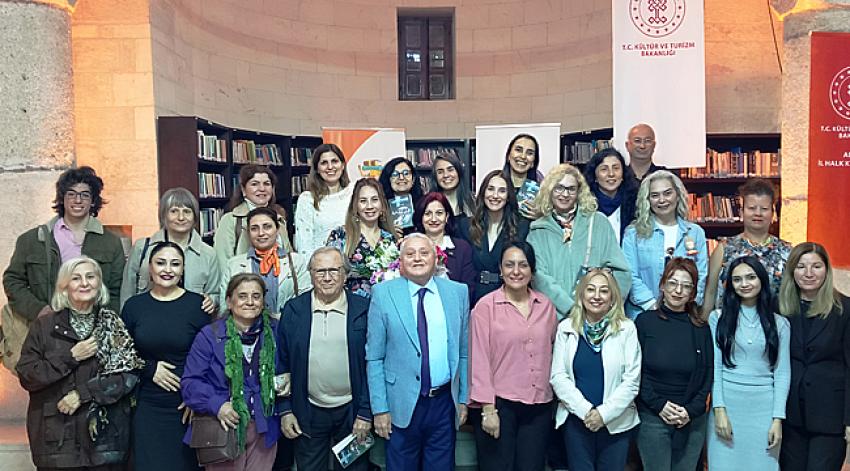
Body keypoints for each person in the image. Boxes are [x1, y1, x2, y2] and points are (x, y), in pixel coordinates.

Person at [17, 256, 144, 470]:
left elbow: (127, 376)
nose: (84, 283)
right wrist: (71, 357)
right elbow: (28, 375)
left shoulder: (113, 324)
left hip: (105, 441)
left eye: (90, 277)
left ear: (99, 284)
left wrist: (82, 394)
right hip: (57, 442)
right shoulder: (44, 326)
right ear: (64, 286)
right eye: (76, 278)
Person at [366, 234, 470, 470]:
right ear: (400, 261)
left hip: (443, 403)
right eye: (410, 254)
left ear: (436, 258)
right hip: (400, 403)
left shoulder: (457, 292)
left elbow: (464, 352)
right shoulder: (383, 294)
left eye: (424, 252)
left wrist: (463, 399)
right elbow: (374, 357)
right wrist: (380, 409)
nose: (417, 258)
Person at [278, 247, 372, 471]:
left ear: (345, 274)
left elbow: (374, 365)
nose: (327, 277)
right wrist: (285, 410)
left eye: (334, 270)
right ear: (311, 274)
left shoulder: (363, 309)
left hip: (352, 411)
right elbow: (281, 363)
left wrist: (366, 412)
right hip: (308, 411)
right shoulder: (294, 310)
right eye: (320, 271)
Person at [122, 242, 211, 470]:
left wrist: (196, 397)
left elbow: (209, 356)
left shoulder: (198, 305)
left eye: (175, 264)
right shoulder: (134, 306)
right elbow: (120, 353)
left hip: (186, 406)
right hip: (146, 404)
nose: (168, 270)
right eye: (161, 263)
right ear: (149, 267)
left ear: (183, 269)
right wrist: (150, 368)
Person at [469, 241, 557, 471]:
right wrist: (488, 410)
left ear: (532, 270)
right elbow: (479, 361)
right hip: (500, 406)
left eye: (523, 265)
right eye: (509, 265)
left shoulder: (546, 306)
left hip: (539, 406)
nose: (516, 271)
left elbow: (553, 352)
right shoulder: (485, 307)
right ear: (500, 269)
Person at [182, 273, 283, 471]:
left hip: (264, 428)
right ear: (229, 301)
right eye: (242, 296)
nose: (250, 302)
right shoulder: (209, 336)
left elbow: (289, 368)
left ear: (263, 302)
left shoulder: (276, 332)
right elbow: (190, 383)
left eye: (256, 296)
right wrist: (217, 405)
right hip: (223, 427)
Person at [4, 166, 126, 323]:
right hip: (45, 327)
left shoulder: (111, 243)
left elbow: (116, 291)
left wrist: (103, 323)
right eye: (71, 194)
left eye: (85, 195)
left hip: (92, 327)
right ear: (62, 198)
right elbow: (13, 281)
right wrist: (39, 311)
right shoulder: (32, 240)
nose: (78, 200)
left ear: (93, 201)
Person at [550, 268, 641, 471]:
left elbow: (632, 381)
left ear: (612, 297)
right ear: (582, 295)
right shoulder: (566, 328)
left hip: (616, 424)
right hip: (577, 422)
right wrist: (586, 411)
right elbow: (558, 376)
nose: (597, 296)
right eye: (591, 289)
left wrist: (603, 414)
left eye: (604, 291)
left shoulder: (627, 329)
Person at [707, 256, 790, 471]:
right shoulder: (717, 318)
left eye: (751, 277)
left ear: (761, 279)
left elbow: (782, 373)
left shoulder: (780, 324)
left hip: (764, 411)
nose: (744, 284)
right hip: (728, 407)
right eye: (737, 279)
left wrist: (777, 419)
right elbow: (715, 368)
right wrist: (719, 409)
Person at [635, 257, 713, 471]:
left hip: (691, 418)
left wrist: (691, 410)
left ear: (693, 293)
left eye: (686, 286)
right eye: (672, 283)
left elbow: (708, 374)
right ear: (662, 285)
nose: (678, 290)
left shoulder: (701, 328)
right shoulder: (644, 322)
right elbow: (635, 371)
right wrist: (659, 405)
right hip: (652, 415)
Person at [777, 242, 850, 471]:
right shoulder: (778, 307)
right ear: (792, 271)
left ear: (826, 270)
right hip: (790, 416)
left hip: (830, 415)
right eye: (801, 267)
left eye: (816, 266)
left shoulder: (845, 309)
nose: (809, 273)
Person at [527, 163, 630, 319]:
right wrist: (571, 309)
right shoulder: (537, 230)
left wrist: (607, 310)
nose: (565, 194)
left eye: (571, 189)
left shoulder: (598, 223)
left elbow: (621, 271)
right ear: (550, 190)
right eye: (559, 188)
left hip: (597, 317)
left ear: (579, 192)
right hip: (554, 318)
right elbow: (539, 277)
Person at [121, 187, 220, 314]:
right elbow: (127, 292)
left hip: (190, 320)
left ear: (195, 216)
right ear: (164, 215)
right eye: (174, 211)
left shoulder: (208, 254)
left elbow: (215, 294)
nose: (181, 217)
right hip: (146, 318)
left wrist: (212, 300)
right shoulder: (142, 248)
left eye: (187, 211)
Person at [622, 170, 708, 318]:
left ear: (678, 195)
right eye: (655, 195)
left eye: (667, 193)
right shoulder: (633, 233)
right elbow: (630, 275)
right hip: (643, 313)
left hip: (684, 313)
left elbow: (701, 274)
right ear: (647, 200)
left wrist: (686, 305)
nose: (662, 200)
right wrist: (653, 306)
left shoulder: (695, 232)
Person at [703, 178, 792, 315]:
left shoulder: (786, 251)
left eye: (764, 209)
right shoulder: (724, 249)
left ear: (773, 214)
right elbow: (710, 292)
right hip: (730, 324)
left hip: (773, 324)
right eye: (751, 208)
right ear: (741, 212)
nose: (758, 213)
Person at [221, 207, 311, 317]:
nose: (261, 233)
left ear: (277, 230)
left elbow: (305, 302)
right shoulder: (233, 265)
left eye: (267, 227)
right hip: (246, 325)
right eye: (254, 228)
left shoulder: (296, 262)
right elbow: (225, 306)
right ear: (248, 233)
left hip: (286, 324)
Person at [462, 170, 529, 304]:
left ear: (508, 196)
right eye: (491, 189)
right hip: (474, 296)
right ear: (483, 193)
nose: (495, 195)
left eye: (502, 191)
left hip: (508, 295)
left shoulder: (522, 226)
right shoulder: (466, 226)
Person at [325, 178, 397, 299]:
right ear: (355, 206)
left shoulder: (390, 239)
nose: (369, 206)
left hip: (384, 303)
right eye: (363, 201)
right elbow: (329, 273)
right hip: (351, 304)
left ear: (382, 204)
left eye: (374, 200)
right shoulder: (341, 235)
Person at [214, 164, 292, 268]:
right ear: (243, 190)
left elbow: (289, 256)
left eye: (267, 184)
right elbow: (223, 263)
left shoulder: (279, 219)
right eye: (255, 184)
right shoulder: (230, 221)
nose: (262, 188)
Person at [294, 144, 353, 259]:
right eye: (324, 163)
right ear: (317, 169)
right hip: (322, 264)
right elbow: (304, 244)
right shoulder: (307, 199)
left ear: (342, 165)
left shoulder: (354, 192)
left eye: (334, 161)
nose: (330, 167)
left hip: (354, 262)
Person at [414, 192, 475, 301]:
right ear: (421, 217)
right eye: (428, 214)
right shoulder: (412, 246)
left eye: (439, 213)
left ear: (446, 217)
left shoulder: (462, 248)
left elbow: (468, 289)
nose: (433, 219)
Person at [582, 148, 638, 244]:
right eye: (604, 169)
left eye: (616, 168)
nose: (611, 174)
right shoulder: (584, 205)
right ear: (595, 175)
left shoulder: (635, 202)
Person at [380, 156, 424, 238]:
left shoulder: (424, 204)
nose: (401, 178)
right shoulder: (380, 206)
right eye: (395, 174)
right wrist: (388, 232)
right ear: (388, 179)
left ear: (413, 179)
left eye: (406, 173)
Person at [431, 152, 475, 229]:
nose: (446, 175)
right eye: (440, 172)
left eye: (450, 170)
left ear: (458, 172)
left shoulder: (473, 202)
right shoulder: (429, 204)